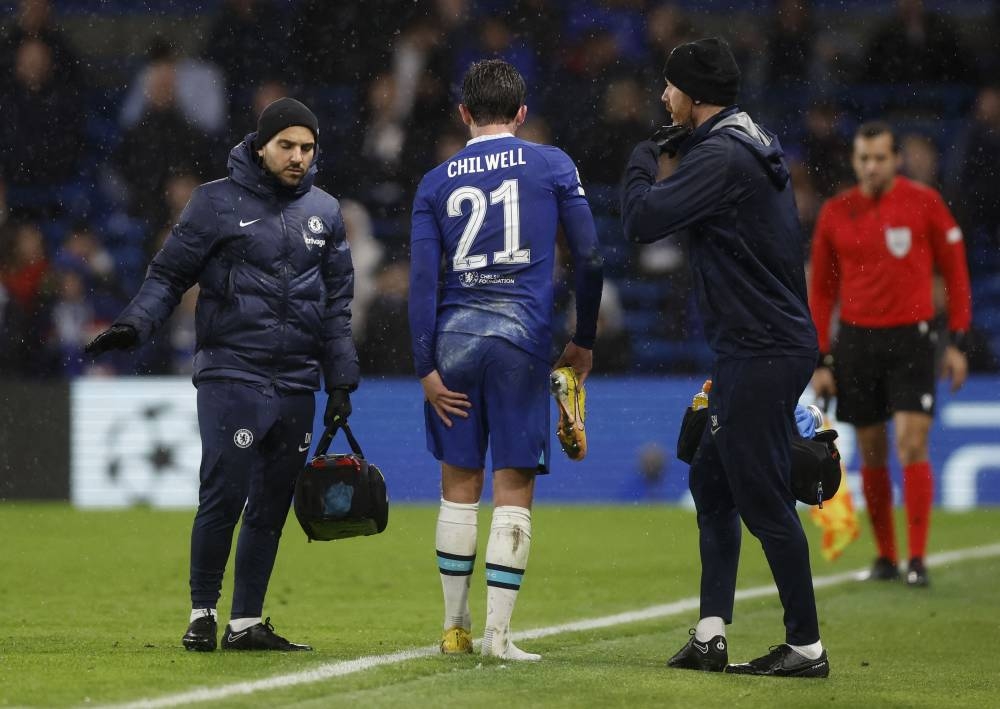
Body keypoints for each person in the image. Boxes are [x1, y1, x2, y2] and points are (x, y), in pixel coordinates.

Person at [85, 97, 360, 652]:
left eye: (307, 148)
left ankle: (246, 623)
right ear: (261, 145)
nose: (298, 157)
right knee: (224, 495)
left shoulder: (326, 213)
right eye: (287, 145)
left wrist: (342, 382)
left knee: (271, 506)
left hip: (296, 383)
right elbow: (168, 275)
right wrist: (135, 325)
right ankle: (202, 613)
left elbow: (336, 306)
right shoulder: (214, 203)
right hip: (231, 372)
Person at [621, 37, 828, 677]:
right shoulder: (747, 140)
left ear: (693, 95)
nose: (662, 97)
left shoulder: (721, 156)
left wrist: (641, 155)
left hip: (762, 348)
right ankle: (711, 634)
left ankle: (806, 647)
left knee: (763, 497)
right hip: (759, 343)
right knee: (711, 483)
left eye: (669, 87)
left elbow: (641, 219)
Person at [408, 59, 603, 661]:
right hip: (522, 340)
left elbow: (421, 282)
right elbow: (591, 257)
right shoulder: (551, 163)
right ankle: (498, 636)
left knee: (458, 488)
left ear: (464, 114)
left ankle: (453, 629)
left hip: (455, 341)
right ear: (521, 114)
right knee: (512, 486)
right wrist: (585, 339)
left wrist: (425, 368)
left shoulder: (435, 181)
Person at [809, 121, 972, 588]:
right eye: (863, 158)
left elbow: (955, 273)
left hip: (912, 339)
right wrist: (822, 359)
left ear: (896, 159)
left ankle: (917, 559)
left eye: (879, 158)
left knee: (911, 443)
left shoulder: (924, 203)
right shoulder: (836, 212)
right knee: (872, 450)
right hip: (857, 342)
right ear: (855, 160)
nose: (871, 166)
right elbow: (821, 292)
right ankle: (886, 557)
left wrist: (958, 343)